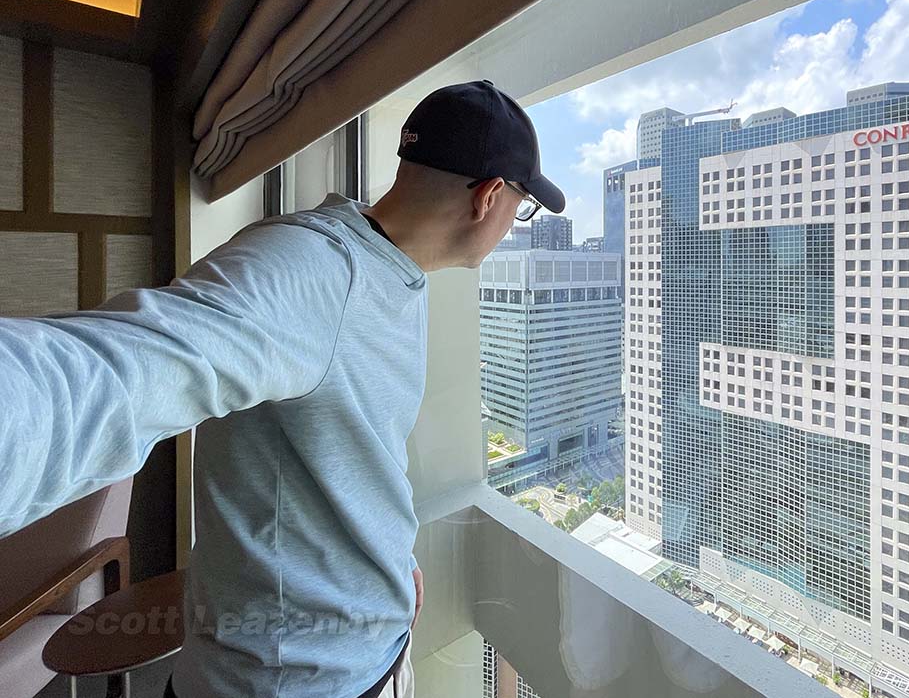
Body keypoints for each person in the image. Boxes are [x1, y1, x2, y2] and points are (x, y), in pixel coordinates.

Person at [0, 81, 564, 698]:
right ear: (489, 197)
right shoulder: (316, 270)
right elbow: (112, 370)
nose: (515, 220)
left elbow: (355, 451)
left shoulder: (395, 274)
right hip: (292, 680)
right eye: (523, 204)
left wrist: (394, 568)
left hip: (366, 654)